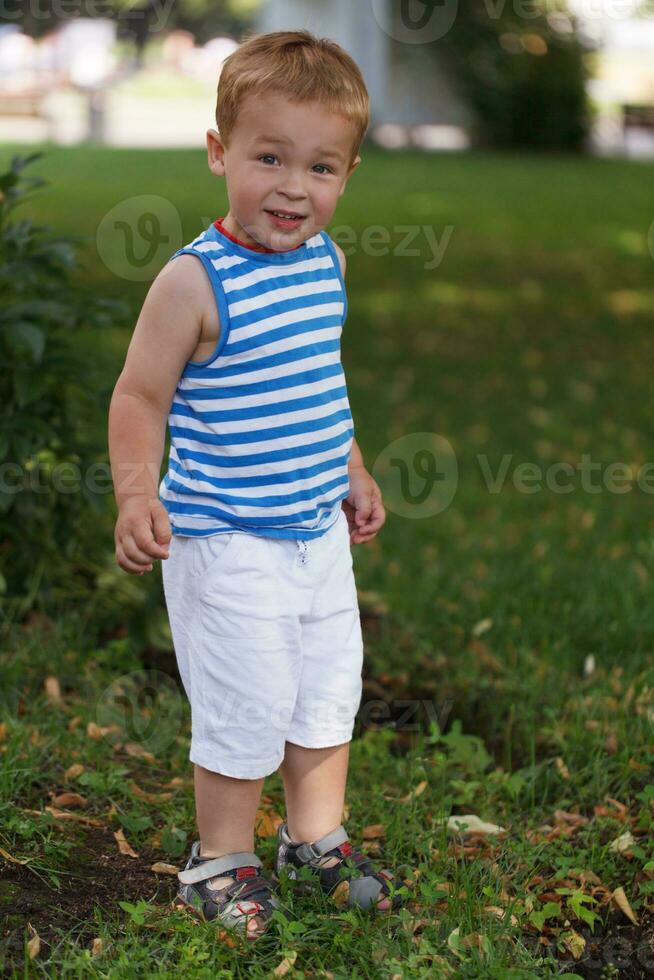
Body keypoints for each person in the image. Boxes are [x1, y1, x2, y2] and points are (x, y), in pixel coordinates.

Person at [108, 29, 409, 941]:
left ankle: (314, 839)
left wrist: (351, 470)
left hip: (316, 535)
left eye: (319, 167)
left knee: (326, 689)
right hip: (226, 539)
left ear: (347, 175)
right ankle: (220, 861)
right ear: (219, 153)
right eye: (268, 157)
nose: (292, 186)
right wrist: (134, 492)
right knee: (245, 699)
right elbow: (139, 393)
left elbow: (323, 385)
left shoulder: (328, 266)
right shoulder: (193, 282)